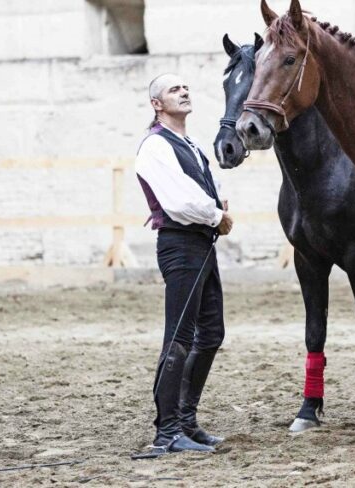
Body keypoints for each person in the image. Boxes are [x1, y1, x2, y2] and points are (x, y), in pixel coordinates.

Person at [135, 73, 233, 455]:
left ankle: (187, 421)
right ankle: (167, 433)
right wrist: (215, 215)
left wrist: (216, 208)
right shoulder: (155, 147)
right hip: (180, 245)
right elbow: (179, 200)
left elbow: (209, 187)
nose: (185, 91)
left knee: (211, 333)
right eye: (174, 89)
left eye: (186, 87)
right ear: (157, 104)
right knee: (178, 337)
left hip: (201, 244)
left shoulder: (188, 144)